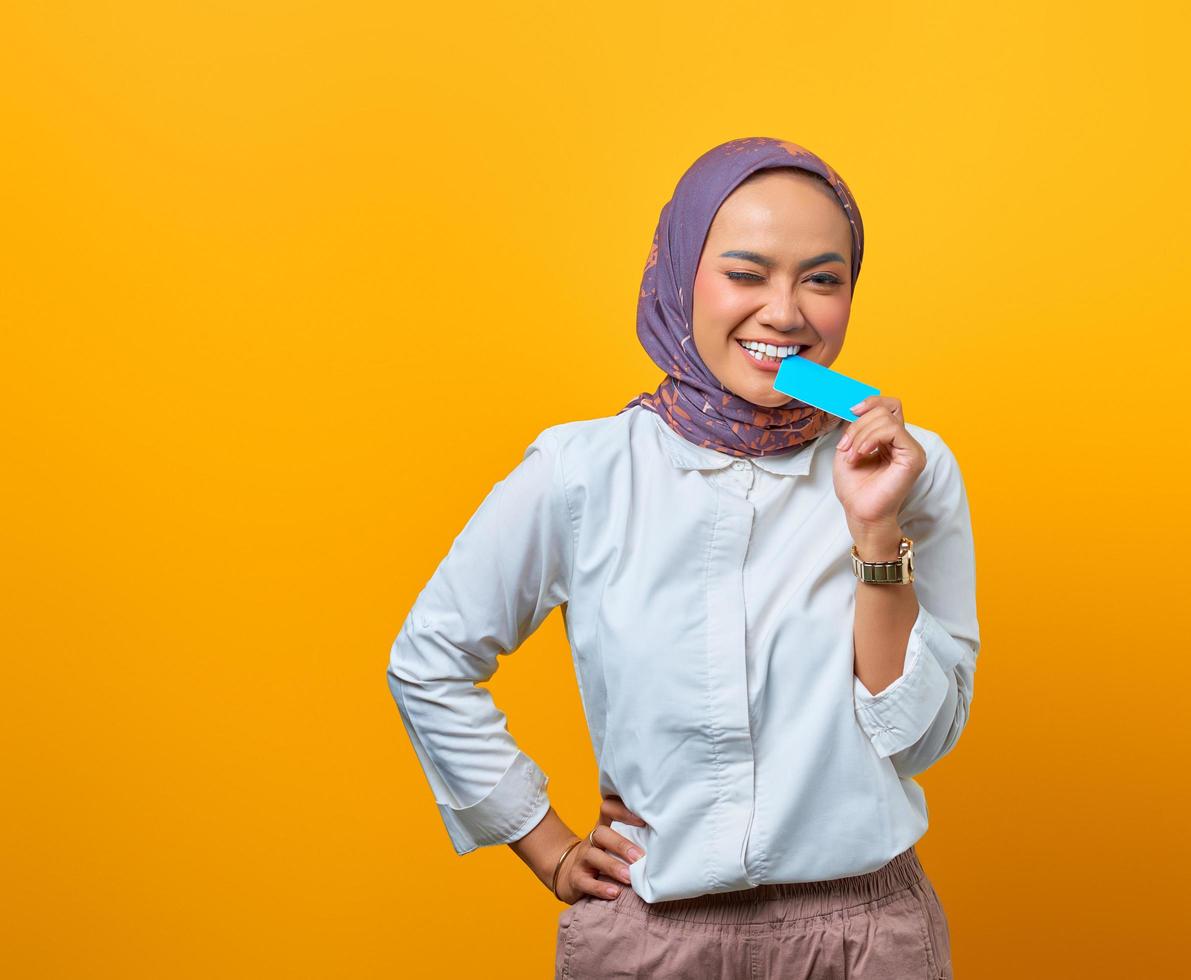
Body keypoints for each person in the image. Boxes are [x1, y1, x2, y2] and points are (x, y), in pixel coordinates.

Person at [386, 136, 979, 979]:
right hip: (651, 943)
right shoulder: (581, 471)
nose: (785, 313)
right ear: (679, 276)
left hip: (866, 939)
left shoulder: (910, 470)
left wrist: (876, 538)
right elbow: (429, 660)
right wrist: (543, 842)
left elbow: (916, 742)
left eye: (822, 278)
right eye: (745, 273)